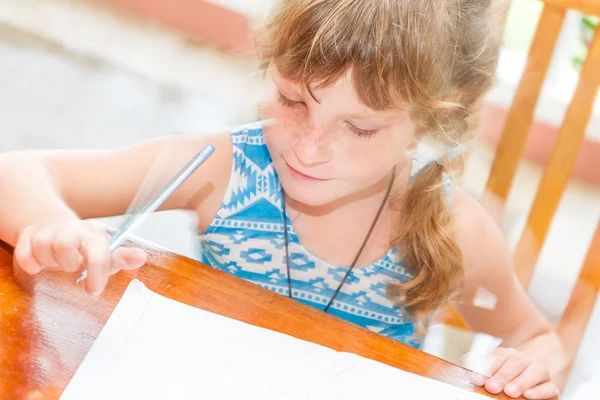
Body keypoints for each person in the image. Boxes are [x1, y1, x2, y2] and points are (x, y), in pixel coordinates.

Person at [0, 0, 563, 398]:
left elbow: (532, 337)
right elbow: (16, 174)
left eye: (359, 129)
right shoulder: (222, 170)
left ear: (429, 120)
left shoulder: (454, 228)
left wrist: (529, 367)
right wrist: (54, 223)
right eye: (293, 100)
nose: (310, 148)